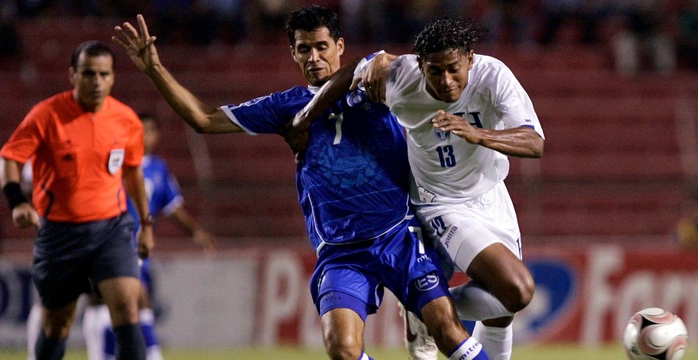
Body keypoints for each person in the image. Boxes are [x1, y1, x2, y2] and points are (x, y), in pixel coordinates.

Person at [112, 6, 489, 360]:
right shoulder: (284, 107)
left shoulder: (373, 84)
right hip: (341, 252)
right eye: (303, 48)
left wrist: (380, 59)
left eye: (322, 46)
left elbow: (418, 69)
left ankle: (421, 318)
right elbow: (205, 119)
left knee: (447, 329)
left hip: (398, 236)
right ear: (293, 53)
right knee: (341, 348)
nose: (314, 57)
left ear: (339, 47)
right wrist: (155, 69)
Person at [292, 17, 545, 360]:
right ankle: (428, 308)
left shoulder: (493, 76)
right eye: (435, 71)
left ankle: (422, 309)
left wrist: (477, 133)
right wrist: (307, 116)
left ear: (470, 59)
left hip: (491, 194)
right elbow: (351, 73)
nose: (446, 80)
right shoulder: (401, 76)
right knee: (517, 289)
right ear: (419, 66)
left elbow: (533, 142)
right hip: (440, 201)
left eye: (454, 68)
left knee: (502, 310)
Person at [0, 40, 152, 360]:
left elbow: (133, 174)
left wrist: (146, 224)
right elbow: (7, 160)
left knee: (126, 307)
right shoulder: (47, 115)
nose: (96, 82)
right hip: (60, 234)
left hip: (111, 227)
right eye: (88, 74)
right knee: (57, 323)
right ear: (72, 76)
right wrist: (17, 202)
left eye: (103, 74)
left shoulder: (126, 120)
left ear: (113, 78)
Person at [82, 112, 218, 360]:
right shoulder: (115, 163)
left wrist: (195, 231)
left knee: (129, 302)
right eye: (140, 131)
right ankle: (145, 355)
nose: (145, 136)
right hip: (111, 241)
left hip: (140, 246)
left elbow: (172, 206)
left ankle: (115, 354)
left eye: (150, 131)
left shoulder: (158, 168)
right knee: (125, 298)